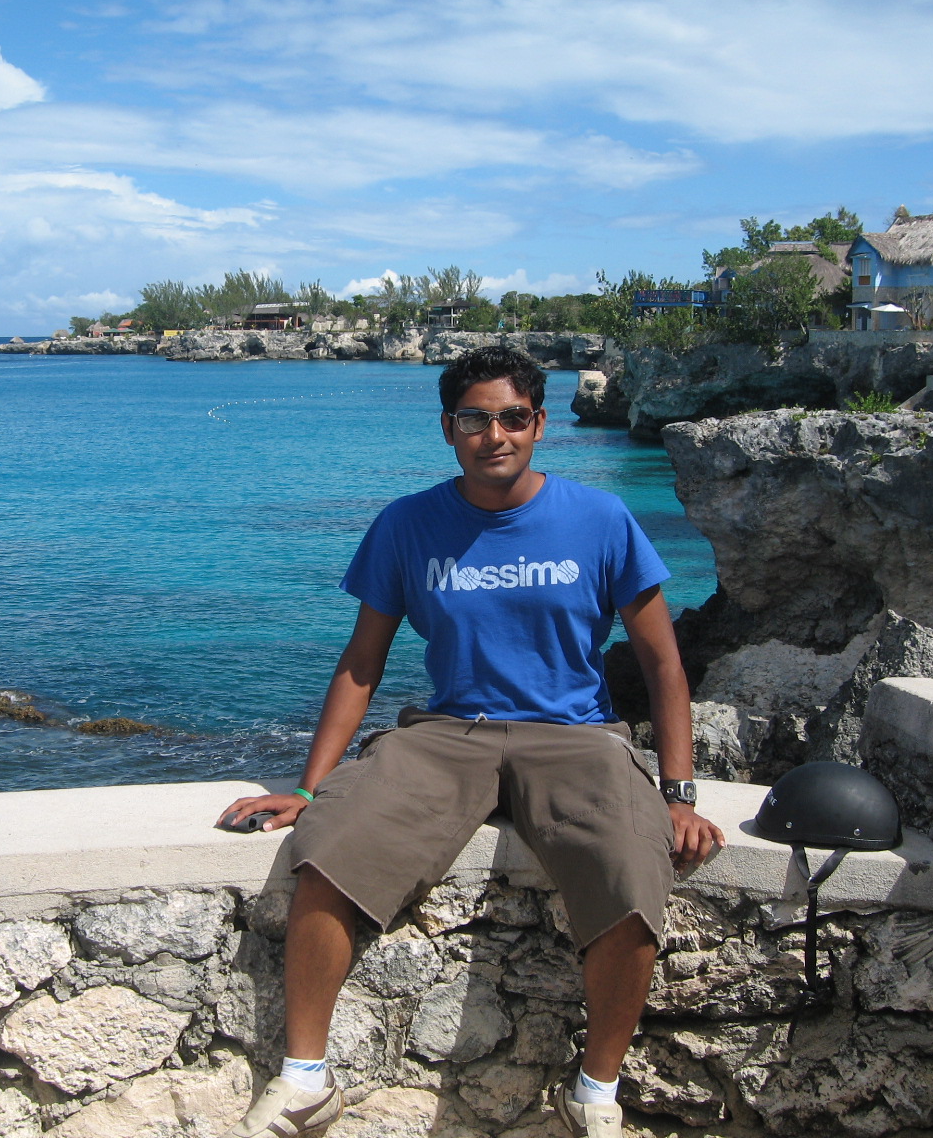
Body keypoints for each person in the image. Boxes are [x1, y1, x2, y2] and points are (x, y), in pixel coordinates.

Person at [218, 347, 724, 1137]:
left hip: (576, 736)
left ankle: (595, 1095)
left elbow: (663, 665)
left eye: (514, 417)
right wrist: (309, 788)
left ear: (540, 425)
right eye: (475, 419)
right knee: (328, 845)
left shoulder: (601, 520)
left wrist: (678, 792)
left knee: (633, 868)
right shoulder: (409, 524)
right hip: (450, 732)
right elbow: (362, 662)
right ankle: (304, 1079)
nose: (496, 435)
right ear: (448, 429)